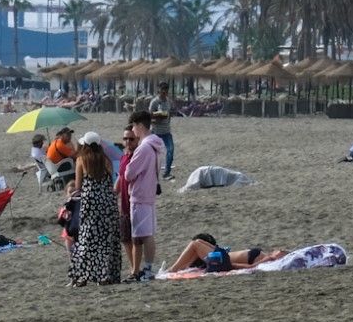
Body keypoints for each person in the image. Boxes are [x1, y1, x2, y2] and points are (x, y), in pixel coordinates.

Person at [66, 134, 121, 286]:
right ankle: (105, 276)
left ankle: (82, 276)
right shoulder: (106, 160)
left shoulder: (81, 160)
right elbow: (110, 181)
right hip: (107, 203)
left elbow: (78, 186)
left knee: (86, 239)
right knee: (106, 241)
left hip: (91, 203)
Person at [122, 114, 163, 281]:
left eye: (133, 126)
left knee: (143, 235)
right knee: (145, 234)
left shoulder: (144, 147)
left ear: (139, 126)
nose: (132, 130)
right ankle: (142, 270)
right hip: (149, 192)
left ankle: (146, 270)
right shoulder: (156, 144)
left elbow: (129, 174)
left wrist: (127, 172)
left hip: (140, 195)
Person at [163, 234, 291, 274]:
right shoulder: (265, 257)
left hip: (222, 261)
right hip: (222, 257)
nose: (278, 250)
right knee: (198, 241)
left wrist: (232, 265)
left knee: (195, 245)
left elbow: (245, 267)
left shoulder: (267, 259)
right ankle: (176, 268)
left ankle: (172, 270)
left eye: (281, 252)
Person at [148, 82, 177, 179]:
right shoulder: (154, 102)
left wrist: (170, 114)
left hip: (166, 131)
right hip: (156, 131)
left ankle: (167, 172)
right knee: (152, 153)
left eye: (166, 89)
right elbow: (149, 117)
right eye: (162, 89)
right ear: (159, 90)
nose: (164, 91)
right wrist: (157, 118)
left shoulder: (168, 101)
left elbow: (170, 113)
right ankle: (150, 172)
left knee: (170, 150)